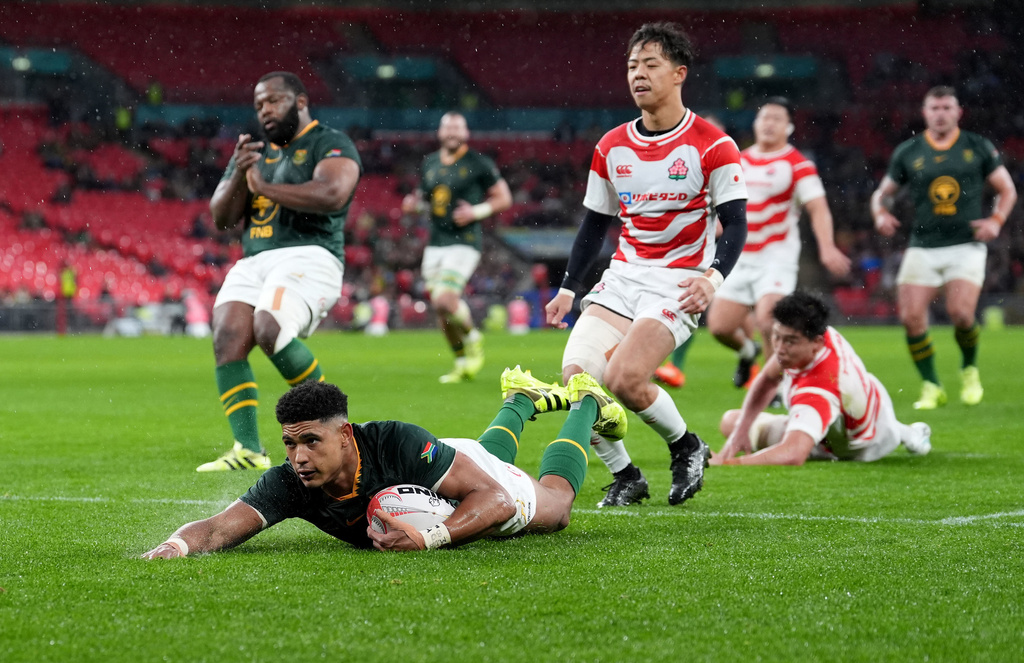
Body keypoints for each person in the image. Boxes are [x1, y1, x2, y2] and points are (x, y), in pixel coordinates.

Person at [545, 23, 748, 507]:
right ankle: (626, 475)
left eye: (650, 64)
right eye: (633, 65)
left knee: (625, 380)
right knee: (579, 380)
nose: (638, 74)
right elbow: (594, 225)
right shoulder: (612, 146)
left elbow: (736, 225)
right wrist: (569, 288)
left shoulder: (713, 145)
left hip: (678, 283)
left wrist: (712, 278)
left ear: (679, 73)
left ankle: (686, 447)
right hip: (622, 278)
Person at [142, 367, 624, 557]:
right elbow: (219, 527)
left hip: (457, 474)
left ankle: (587, 402)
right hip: (452, 469)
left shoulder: (395, 441)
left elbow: (494, 498)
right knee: (489, 456)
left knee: (557, 508)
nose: (299, 457)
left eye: (311, 441)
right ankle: (521, 399)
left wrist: (431, 536)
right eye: (290, 444)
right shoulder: (292, 482)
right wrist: (173, 547)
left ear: (346, 434)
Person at [198, 71, 362, 472]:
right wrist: (239, 172)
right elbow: (221, 217)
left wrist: (263, 186)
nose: (265, 111)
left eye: (273, 101)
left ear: (300, 101)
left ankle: (338, 427)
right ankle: (249, 449)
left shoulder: (330, 142)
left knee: (269, 327)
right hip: (255, 258)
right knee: (228, 333)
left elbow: (331, 194)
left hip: (312, 255)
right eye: (258, 105)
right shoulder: (254, 156)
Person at [871, 86, 1016, 410]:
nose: (940, 113)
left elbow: (1006, 189)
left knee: (961, 313)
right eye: (934, 108)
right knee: (910, 317)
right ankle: (931, 384)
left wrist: (996, 219)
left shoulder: (977, 146)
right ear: (924, 113)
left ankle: (969, 369)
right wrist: (880, 212)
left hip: (966, 244)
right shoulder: (908, 151)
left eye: (947, 107)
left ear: (958, 112)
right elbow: (883, 193)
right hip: (922, 245)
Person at [708, 97, 851, 390]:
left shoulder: (798, 164)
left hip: (776, 255)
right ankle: (749, 352)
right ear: (755, 124)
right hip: (740, 256)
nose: (769, 123)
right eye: (764, 118)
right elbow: (722, 208)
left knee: (768, 319)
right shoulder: (738, 160)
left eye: (776, 119)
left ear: (789, 127)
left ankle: (773, 387)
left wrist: (826, 246)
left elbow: (818, 207)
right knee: (720, 327)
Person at [712, 291, 932, 465]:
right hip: (864, 405)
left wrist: (728, 462)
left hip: (850, 446)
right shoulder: (815, 333)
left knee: (788, 441)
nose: (779, 349)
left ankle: (903, 433)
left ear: (816, 343)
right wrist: (739, 434)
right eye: (776, 337)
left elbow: (793, 454)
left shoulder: (821, 387)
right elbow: (768, 379)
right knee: (732, 423)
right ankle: (905, 432)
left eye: (789, 341)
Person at [401, 112, 513, 384]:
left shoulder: (478, 162)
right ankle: (462, 362)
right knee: (441, 309)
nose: (452, 132)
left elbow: (504, 197)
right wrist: (414, 204)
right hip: (436, 243)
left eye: (457, 128)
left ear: (466, 133)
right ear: (440, 132)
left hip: (464, 242)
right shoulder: (429, 163)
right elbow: (427, 200)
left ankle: (474, 337)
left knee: (444, 299)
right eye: (447, 127)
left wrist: (476, 211)